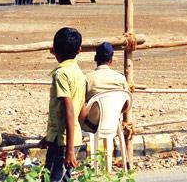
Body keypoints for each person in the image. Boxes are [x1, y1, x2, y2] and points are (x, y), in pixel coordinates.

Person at [41, 27, 86, 182]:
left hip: (63, 142)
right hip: (69, 139)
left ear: (54, 50)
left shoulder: (61, 75)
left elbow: (69, 111)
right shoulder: (80, 74)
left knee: (51, 179)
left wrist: (69, 150)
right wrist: (49, 137)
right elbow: (82, 112)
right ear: (79, 50)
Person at [80, 42, 128, 133]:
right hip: (113, 124)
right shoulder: (121, 78)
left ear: (95, 58)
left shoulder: (87, 78)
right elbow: (126, 104)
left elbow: (81, 103)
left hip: (91, 126)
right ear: (111, 60)